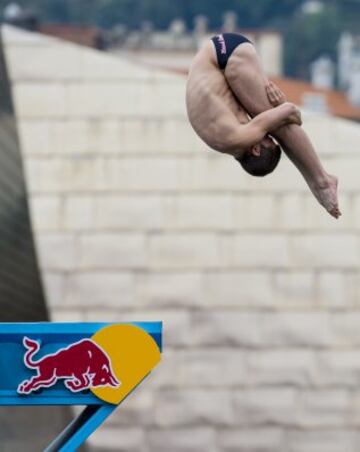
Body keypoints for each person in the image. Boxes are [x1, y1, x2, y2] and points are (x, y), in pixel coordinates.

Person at [186, 32, 341, 219]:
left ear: (256, 150)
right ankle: (318, 180)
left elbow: (290, 111)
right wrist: (280, 110)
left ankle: (322, 181)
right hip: (221, 55)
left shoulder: (238, 137)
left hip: (227, 55)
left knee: (280, 128)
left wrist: (282, 108)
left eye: (268, 139)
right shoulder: (226, 142)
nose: (268, 136)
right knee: (275, 121)